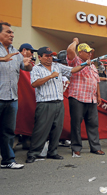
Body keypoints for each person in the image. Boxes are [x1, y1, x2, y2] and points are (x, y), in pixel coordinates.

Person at [26, 46, 90, 163]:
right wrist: (50, 76)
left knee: (57, 129)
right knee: (41, 130)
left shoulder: (57, 66)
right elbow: (34, 84)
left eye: (51, 56)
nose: (49, 58)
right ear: (40, 57)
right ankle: (33, 153)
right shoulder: (36, 69)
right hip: (45, 103)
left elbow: (72, 70)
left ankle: (52, 152)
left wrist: (85, 64)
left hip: (58, 102)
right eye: (46, 56)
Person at [0, 22, 33, 169]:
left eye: (12, 32)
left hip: (12, 98)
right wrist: (2, 59)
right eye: (8, 32)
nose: (12, 35)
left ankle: (8, 161)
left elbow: (26, 68)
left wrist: (27, 64)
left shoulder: (16, 53)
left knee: (8, 131)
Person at [66, 38, 105, 157]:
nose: (89, 54)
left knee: (93, 124)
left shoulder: (92, 65)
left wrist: (98, 96)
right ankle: (76, 148)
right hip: (78, 97)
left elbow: (96, 81)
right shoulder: (75, 61)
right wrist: (75, 42)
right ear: (80, 52)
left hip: (91, 99)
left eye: (90, 52)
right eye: (87, 51)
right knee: (76, 124)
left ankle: (95, 147)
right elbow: (69, 50)